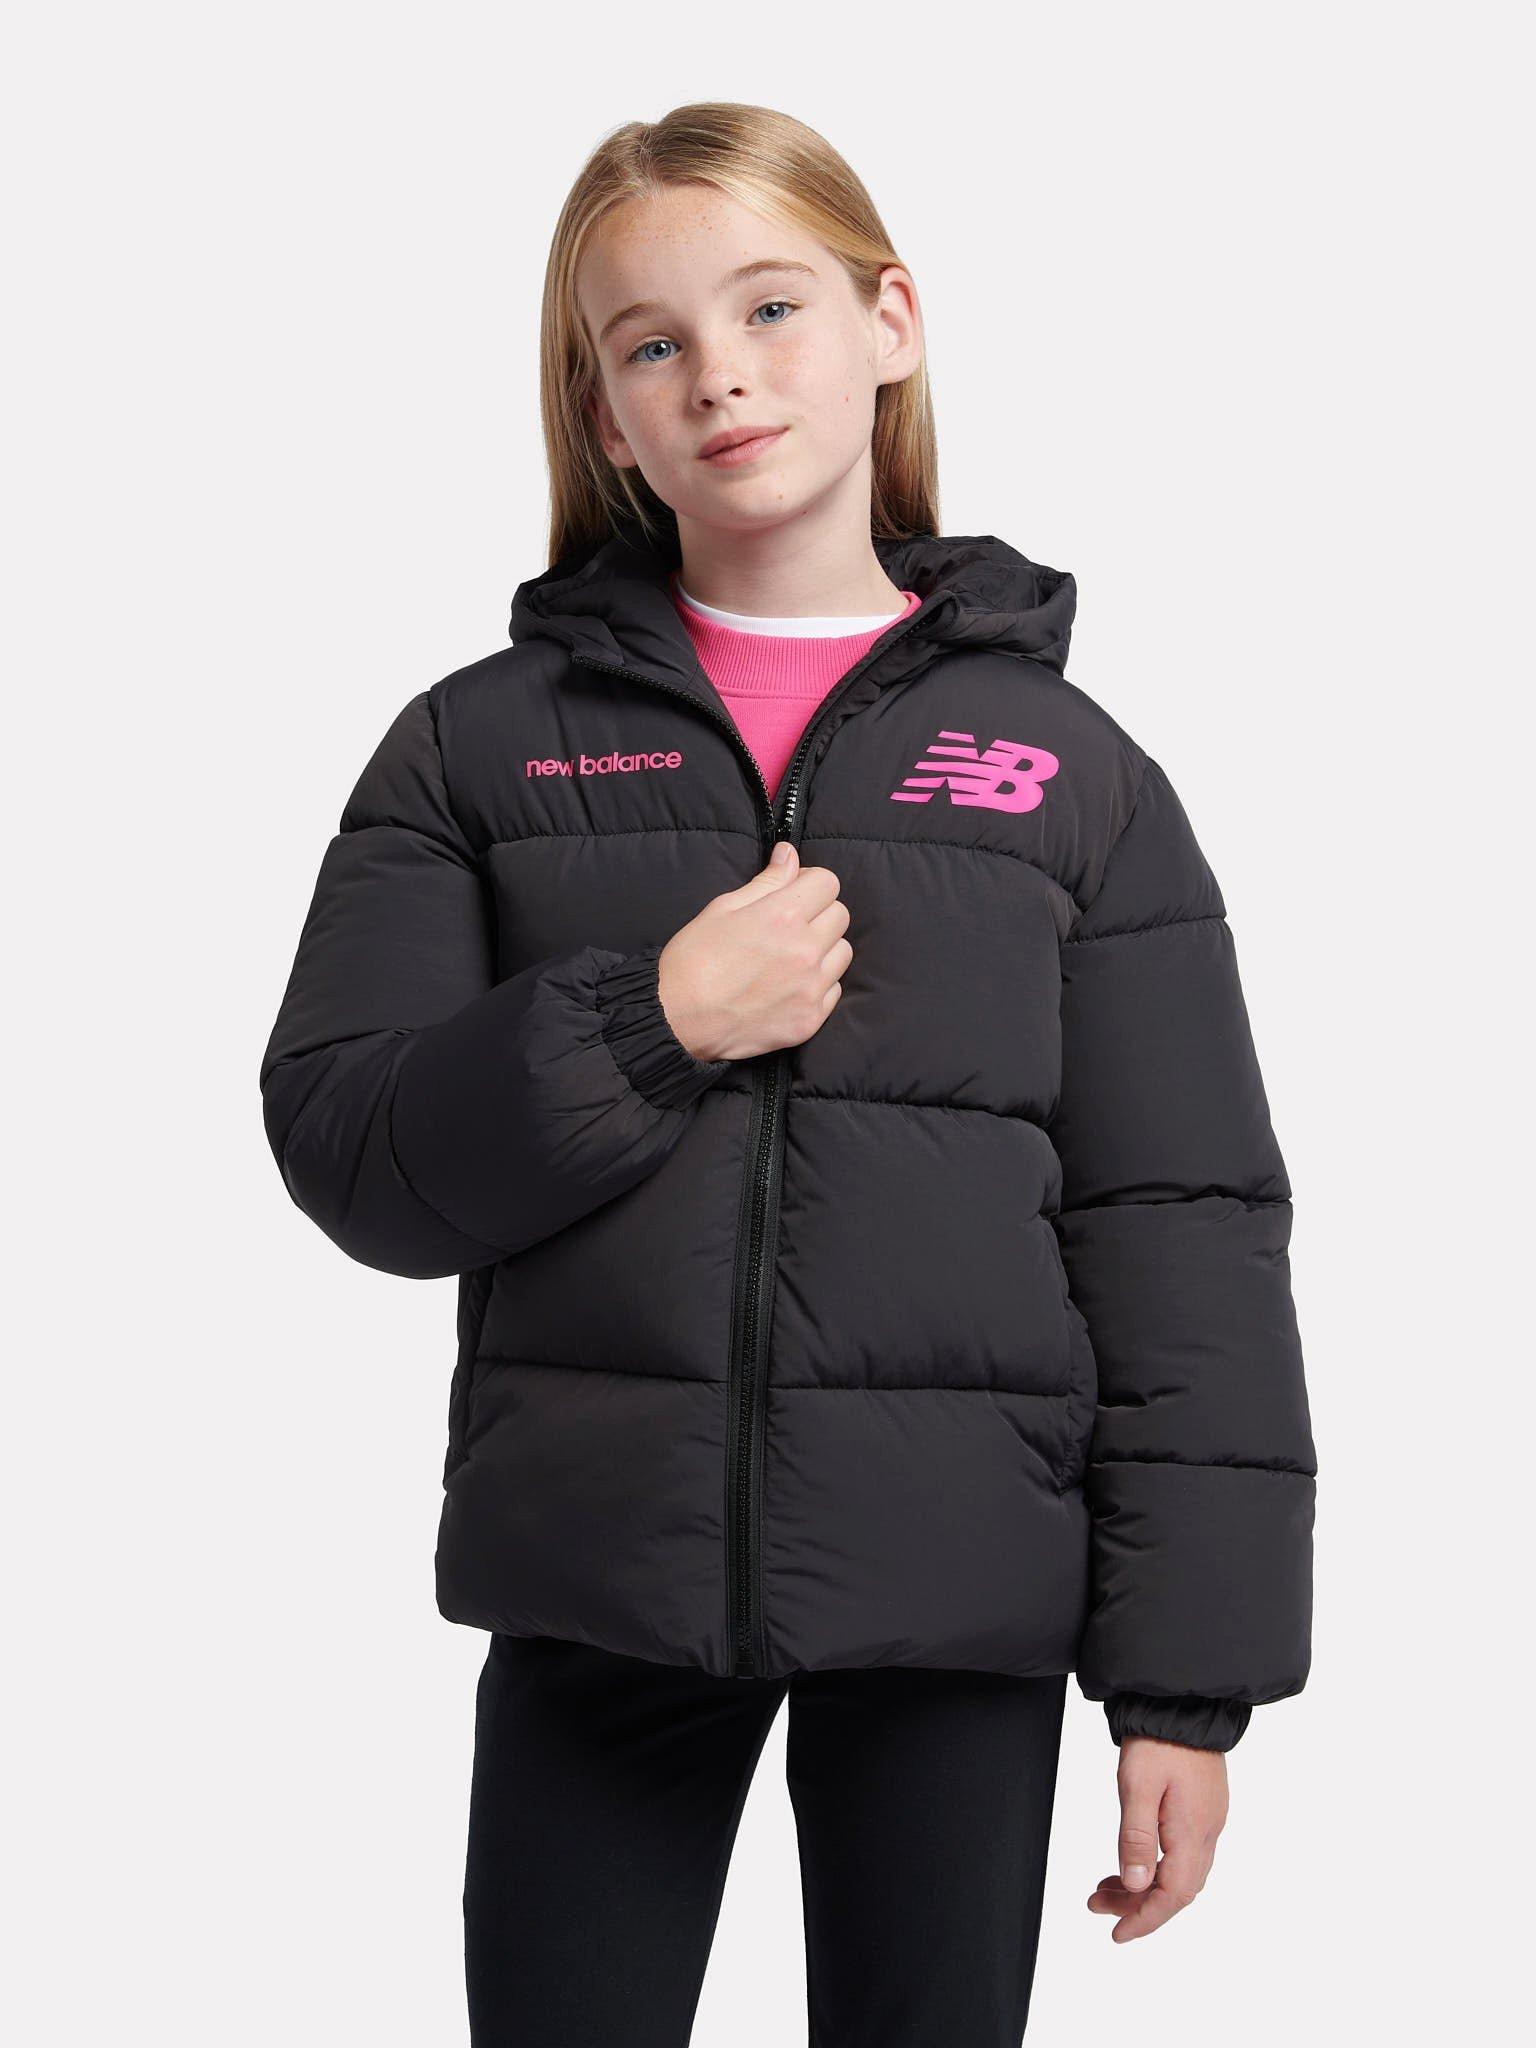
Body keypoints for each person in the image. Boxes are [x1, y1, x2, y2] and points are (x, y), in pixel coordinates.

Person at [259, 101, 1315, 2047]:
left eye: (770, 307)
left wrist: (1186, 1684)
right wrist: (653, 1019)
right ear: (603, 417)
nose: (719, 373)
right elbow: (354, 1149)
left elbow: (1182, 1226)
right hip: (597, 1579)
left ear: (888, 321)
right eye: (650, 342)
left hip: (960, 1599)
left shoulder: (1069, 775)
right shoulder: (474, 752)